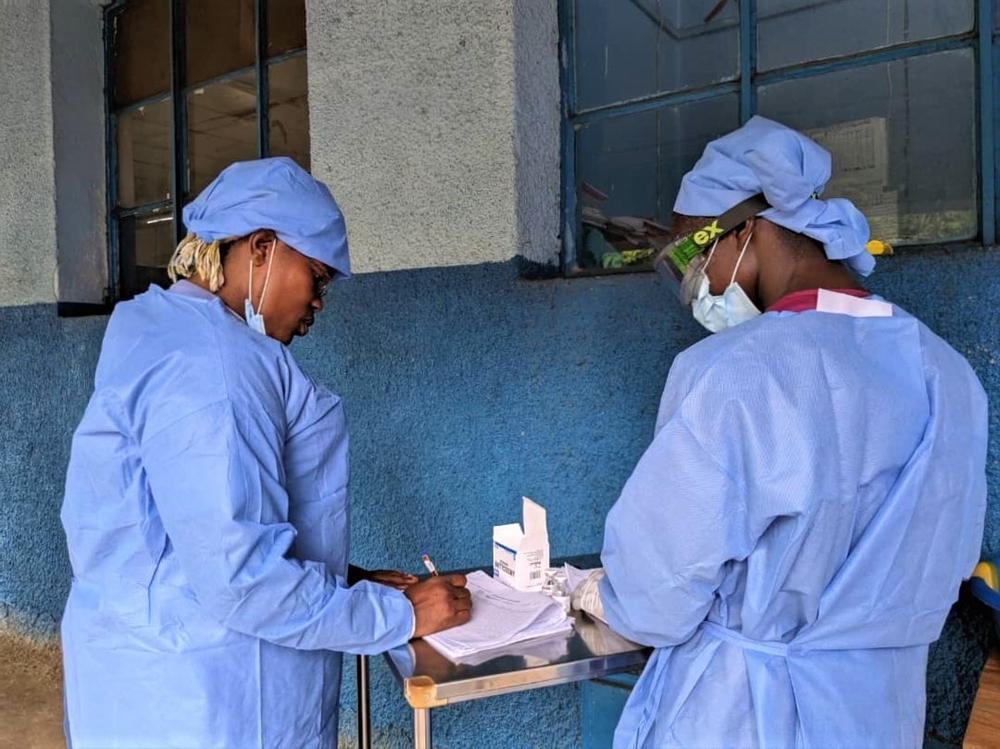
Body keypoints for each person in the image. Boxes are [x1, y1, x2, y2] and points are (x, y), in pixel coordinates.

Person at [575, 117, 988, 748]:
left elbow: (655, 596)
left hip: (744, 716)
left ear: (746, 230)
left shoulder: (736, 373)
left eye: (692, 256)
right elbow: (950, 562)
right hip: (877, 715)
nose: (695, 288)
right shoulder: (950, 376)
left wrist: (598, 594)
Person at [60, 157, 472, 749]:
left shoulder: (161, 325)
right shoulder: (215, 365)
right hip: (203, 696)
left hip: (144, 667)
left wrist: (344, 581)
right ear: (260, 248)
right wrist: (402, 618)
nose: (319, 303)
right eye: (317, 277)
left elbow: (188, 529)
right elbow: (242, 579)